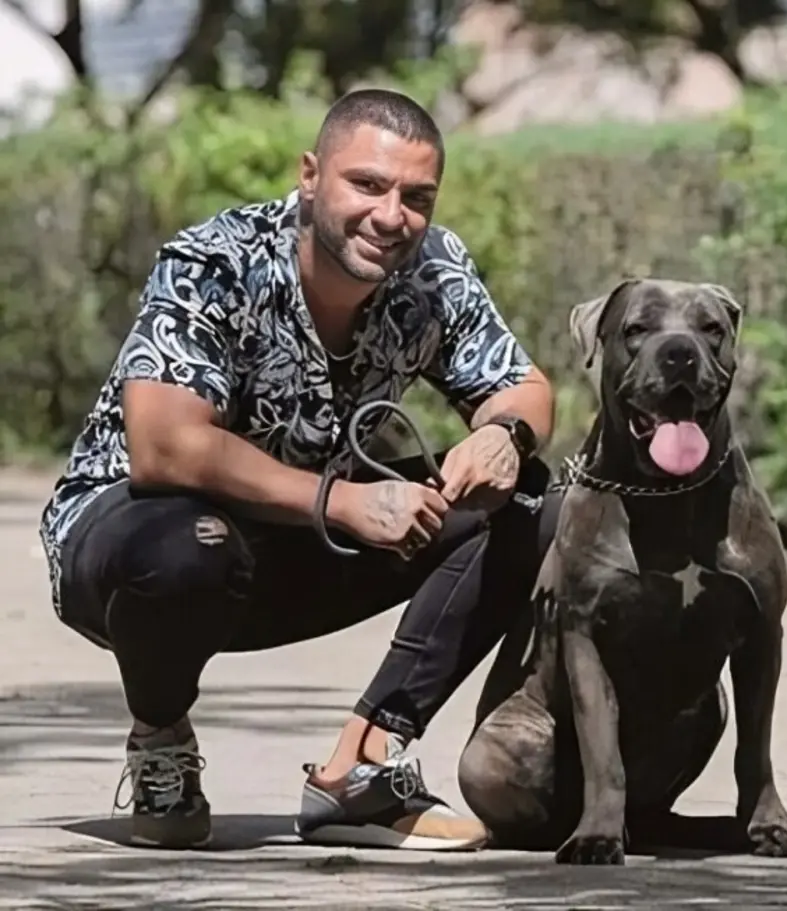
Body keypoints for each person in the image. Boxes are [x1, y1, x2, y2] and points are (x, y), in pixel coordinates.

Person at [37, 87, 561, 852]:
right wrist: (343, 500)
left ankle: (362, 768)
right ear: (311, 175)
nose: (392, 216)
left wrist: (505, 435)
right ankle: (160, 738)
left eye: (416, 196)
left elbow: (524, 387)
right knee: (190, 545)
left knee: (532, 503)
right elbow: (164, 445)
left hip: (300, 537)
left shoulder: (434, 271)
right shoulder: (215, 259)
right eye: (368, 185)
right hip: (135, 545)